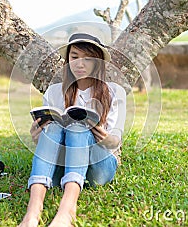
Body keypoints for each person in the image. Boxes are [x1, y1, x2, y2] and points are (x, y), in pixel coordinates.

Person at [19, 33, 126, 227]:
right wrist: (37, 137)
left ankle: (67, 211)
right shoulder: (54, 92)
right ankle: (32, 213)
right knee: (52, 128)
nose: (80, 64)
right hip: (61, 167)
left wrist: (101, 136)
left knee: (78, 127)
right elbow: (49, 140)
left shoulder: (114, 91)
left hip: (99, 166)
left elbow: (115, 141)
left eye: (87, 58)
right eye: (74, 57)